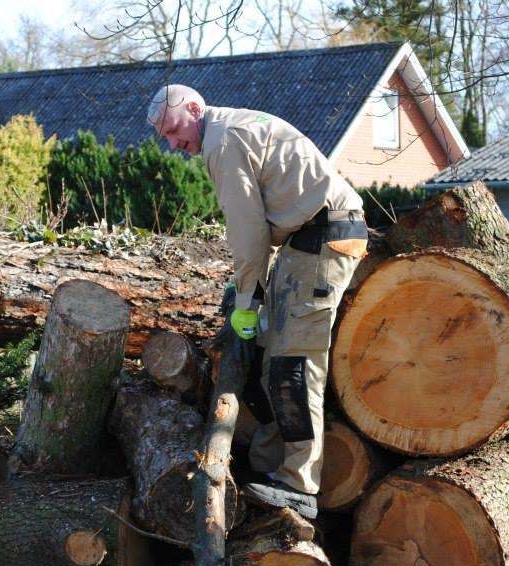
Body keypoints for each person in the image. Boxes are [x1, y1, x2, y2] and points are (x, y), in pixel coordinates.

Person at [147, 84, 367, 519]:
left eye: (173, 129)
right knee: (271, 359)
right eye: (165, 138)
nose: (173, 144)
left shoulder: (220, 141)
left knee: (294, 365)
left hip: (323, 239)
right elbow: (264, 225)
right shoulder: (235, 124)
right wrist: (245, 288)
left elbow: (248, 232)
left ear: (195, 107)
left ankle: (300, 484)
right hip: (306, 242)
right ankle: (267, 471)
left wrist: (247, 297)